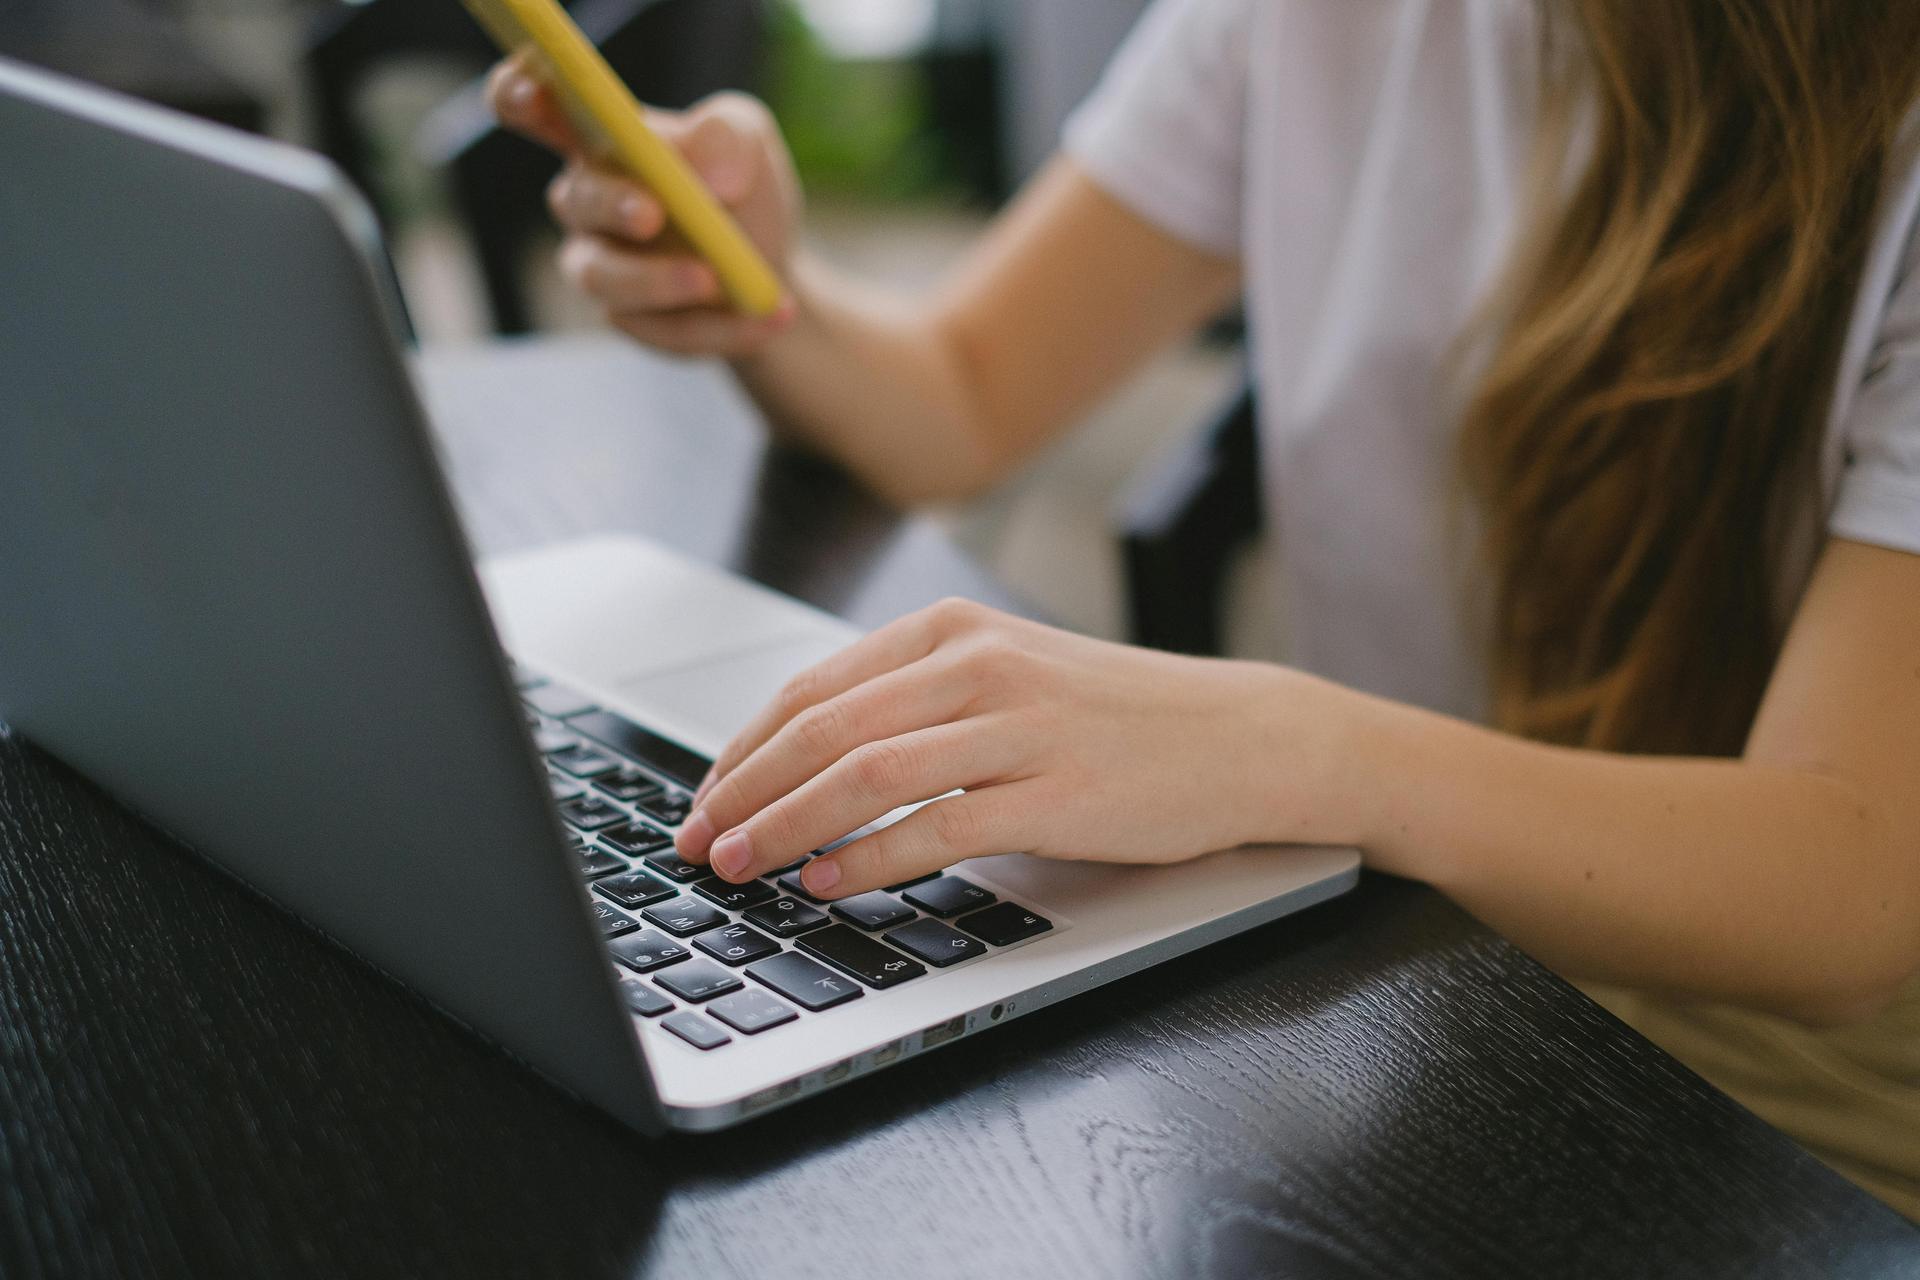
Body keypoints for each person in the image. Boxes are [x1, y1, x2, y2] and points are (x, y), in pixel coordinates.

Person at [491, 2, 1920, 1219]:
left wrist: (1301, 750)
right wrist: (761, 286)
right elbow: (967, 393)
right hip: (1437, 967)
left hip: (1785, 1115)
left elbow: (1849, 890)